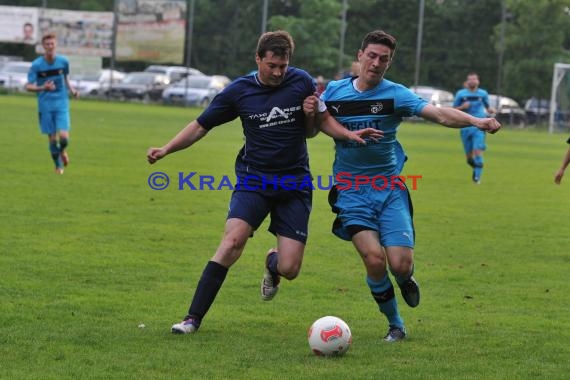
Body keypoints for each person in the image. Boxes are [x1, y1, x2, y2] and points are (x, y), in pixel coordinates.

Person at [147, 30, 380, 335]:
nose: (278, 72)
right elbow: (200, 126)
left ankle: (273, 264)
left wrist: (345, 133)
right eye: (271, 65)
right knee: (232, 243)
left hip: (294, 185)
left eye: (283, 66)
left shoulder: (301, 82)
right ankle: (192, 319)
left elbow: (315, 128)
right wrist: (166, 149)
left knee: (290, 269)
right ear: (258, 58)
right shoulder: (239, 91)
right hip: (253, 180)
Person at [303, 30, 501, 342]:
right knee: (373, 259)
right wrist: (315, 118)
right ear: (360, 55)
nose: (376, 63)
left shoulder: (396, 94)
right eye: (372, 56)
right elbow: (315, 128)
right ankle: (396, 324)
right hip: (350, 189)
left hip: (389, 190)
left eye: (384, 59)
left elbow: (439, 114)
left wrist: (476, 121)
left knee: (399, 263)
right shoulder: (335, 92)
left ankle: (406, 277)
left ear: (389, 62)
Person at [26, 33, 79, 175]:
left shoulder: (63, 61)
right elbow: (28, 86)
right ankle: (57, 165)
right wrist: (43, 87)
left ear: (56, 45)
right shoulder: (37, 65)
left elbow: (66, 77)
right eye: (47, 44)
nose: (50, 46)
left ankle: (62, 151)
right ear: (43, 46)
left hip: (61, 102)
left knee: (64, 137)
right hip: (45, 105)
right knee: (52, 138)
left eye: (52, 44)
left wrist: (72, 90)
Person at [453, 72, 496, 184]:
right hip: (465, 126)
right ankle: (476, 165)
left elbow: (488, 107)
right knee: (469, 158)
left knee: (477, 152)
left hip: (479, 125)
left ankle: (477, 178)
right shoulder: (461, 94)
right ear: (467, 82)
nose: (472, 81)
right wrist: (463, 107)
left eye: (474, 79)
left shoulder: (483, 94)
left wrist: (491, 110)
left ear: (478, 81)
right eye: (470, 79)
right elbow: (453, 110)